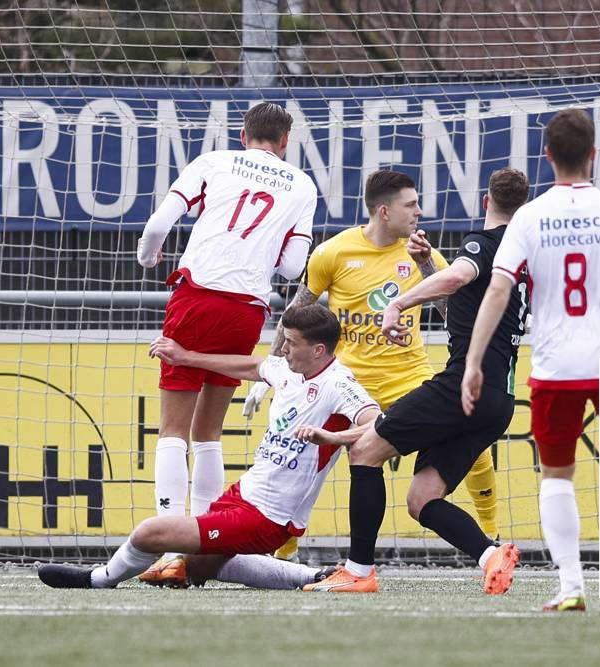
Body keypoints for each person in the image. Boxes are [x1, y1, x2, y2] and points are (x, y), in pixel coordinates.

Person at [461, 109, 600, 612]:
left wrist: (474, 362)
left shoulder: (528, 216)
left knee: (557, 476)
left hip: (555, 367)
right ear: (593, 154)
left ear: (548, 157)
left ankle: (571, 586)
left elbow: (498, 290)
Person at [243, 169, 499, 562]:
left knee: (474, 448)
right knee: (301, 456)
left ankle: (492, 536)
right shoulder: (333, 252)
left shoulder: (423, 254)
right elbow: (298, 311)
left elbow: (454, 314)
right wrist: (274, 370)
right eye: (410, 205)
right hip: (346, 384)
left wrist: (428, 265)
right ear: (384, 211)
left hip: (409, 379)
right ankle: (281, 553)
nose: (419, 212)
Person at [301, 168, 531, 594]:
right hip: (499, 400)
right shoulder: (520, 258)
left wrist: (399, 302)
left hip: (461, 385)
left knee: (365, 451)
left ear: (486, 202)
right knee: (422, 499)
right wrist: (426, 263)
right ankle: (491, 554)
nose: (419, 211)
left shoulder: (482, 244)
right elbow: (464, 301)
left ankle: (359, 570)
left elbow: (459, 276)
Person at [37, 306, 379, 591]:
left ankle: (98, 579)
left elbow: (377, 421)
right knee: (198, 567)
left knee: (150, 533)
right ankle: (312, 576)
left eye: (290, 343)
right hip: (242, 494)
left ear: (318, 350)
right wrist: (185, 357)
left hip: (269, 517)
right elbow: (250, 365)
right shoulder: (289, 370)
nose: (283, 349)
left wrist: (333, 438)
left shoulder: (338, 383)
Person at [134, 102, 317, 585]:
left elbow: (157, 225)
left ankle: (170, 542)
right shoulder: (301, 184)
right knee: (208, 432)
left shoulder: (213, 162)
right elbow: (295, 266)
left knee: (172, 430)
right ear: (284, 141)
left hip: (196, 296)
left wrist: (148, 258)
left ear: (243, 135)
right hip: (246, 308)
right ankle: (200, 542)